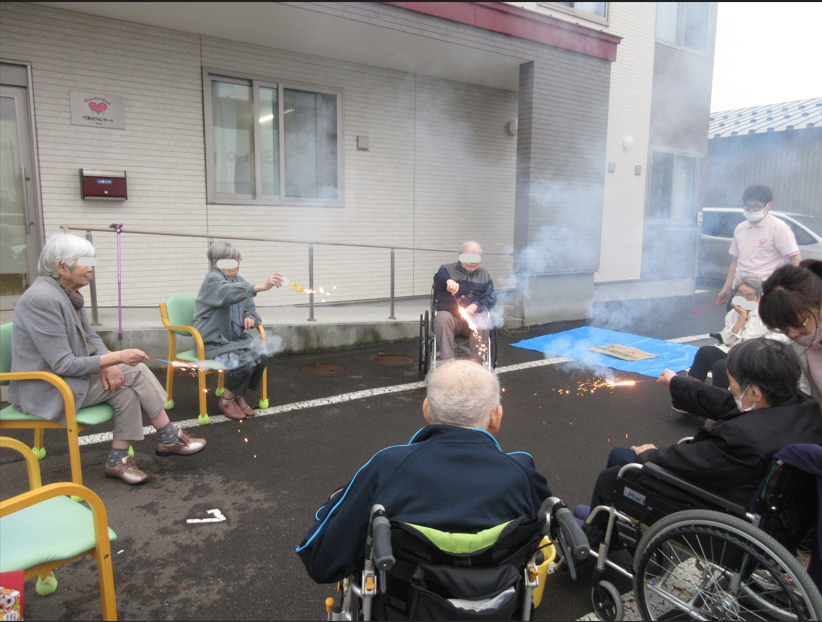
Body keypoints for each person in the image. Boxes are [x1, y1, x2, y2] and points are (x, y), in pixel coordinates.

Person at [296, 360, 552, 584]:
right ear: (496, 417)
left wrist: (333, 503)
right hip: (497, 604)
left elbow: (321, 563)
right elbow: (543, 535)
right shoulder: (522, 473)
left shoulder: (388, 467)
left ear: (427, 410)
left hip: (405, 607)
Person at [579, 338, 822, 544]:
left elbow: (689, 462)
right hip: (765, 507)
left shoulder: (743, 438)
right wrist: (677, 383)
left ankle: (593, 540)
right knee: (623, 459)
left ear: (755, 392)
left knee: (616, 471)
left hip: (722, 509)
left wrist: (648, 454)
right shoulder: (802, 408)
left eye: (732, 382)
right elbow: (726, 401)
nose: (730, 388)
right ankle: (604, 521)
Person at [8, 234, 206, 486]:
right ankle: (169, 436)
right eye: (85, 262)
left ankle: (118, 460)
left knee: (125, 387)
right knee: (135, 371)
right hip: (46, 388)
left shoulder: (66, 294)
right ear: (61, 266)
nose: (91, 268)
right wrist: (116, 358)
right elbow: (62, 364)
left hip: (66, 379)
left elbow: (90, 336)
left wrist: (110, 364)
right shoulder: (42, 299)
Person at [194, 241, 284, 421]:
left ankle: (238, 395)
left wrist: (250, 318)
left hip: (235, 340)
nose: (235, 265)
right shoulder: (212, 280)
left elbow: (250, 309)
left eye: (237, 260)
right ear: (215, 263)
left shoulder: (240, 281)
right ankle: (226, 400)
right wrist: (261, 286)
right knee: (243, 361)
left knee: (261, 356)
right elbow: (227, 292)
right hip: (213, 342)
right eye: (229, 261)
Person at [687, 277, 785, 391]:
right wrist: (742, 317)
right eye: (740, 295)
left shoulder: (767, 314)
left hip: (755, 357)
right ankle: (691, 392)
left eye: (749, 296)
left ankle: (720, 399)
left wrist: (762, 345)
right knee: (705, 352)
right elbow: (728, 340)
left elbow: (782, 337)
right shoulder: (733, 313)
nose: (743, 300)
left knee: (721, 367)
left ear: (759, 297)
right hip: (734, 352)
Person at [716, 184, 801, 306]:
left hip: (764, 292)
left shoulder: (778, 228)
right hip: (739, 290)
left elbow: (795, 259)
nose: (751, 210)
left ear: (768, 205)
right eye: (747, 206)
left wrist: (793, 290)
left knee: (758, 319)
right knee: (734, 318)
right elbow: (735, 260)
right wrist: (726, 289)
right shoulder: (740, 228)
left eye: (756, 207)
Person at [759, 259, 822, 403]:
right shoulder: (805, 341)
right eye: (782, 328)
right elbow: (810, 390)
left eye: (798, 325)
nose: (792, 334)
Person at [432, 241, 495, 363]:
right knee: (442, 317)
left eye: (476, 257)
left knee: (482, 319)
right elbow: (438, 278)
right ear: (460, 255)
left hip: (473, 319)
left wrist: (475, 305)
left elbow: (490, 298)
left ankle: (475, 361)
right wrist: (448, 281)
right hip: (451, 319)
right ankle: (448, 361)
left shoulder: (484, 275)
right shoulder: (447, 269)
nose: (473, 261)